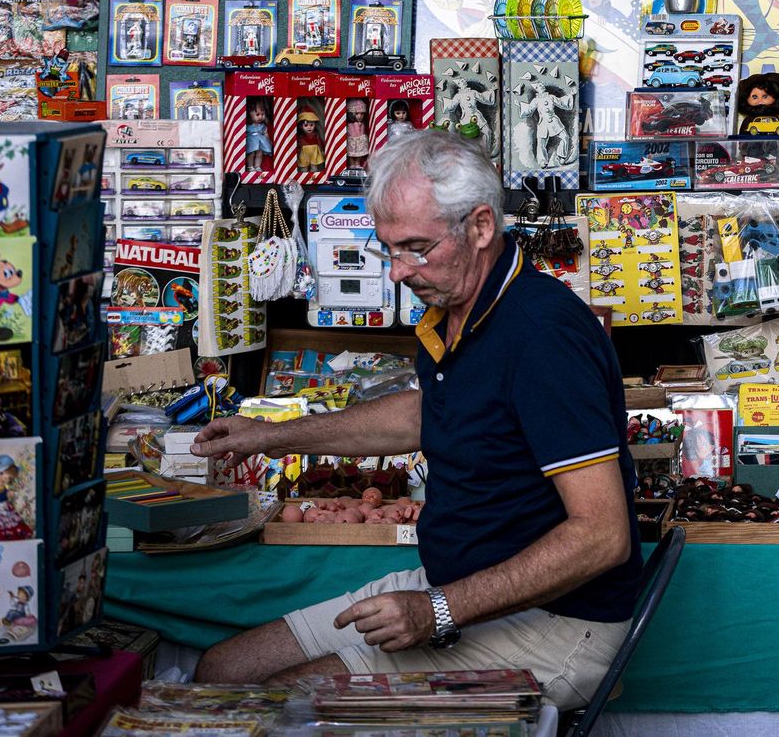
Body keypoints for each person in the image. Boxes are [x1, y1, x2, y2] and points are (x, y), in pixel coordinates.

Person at [191, 130, 641, 708]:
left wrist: (439, 611)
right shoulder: (456, 306)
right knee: (222, 669)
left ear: (481, 227)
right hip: (460, 589)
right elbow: (432, 414)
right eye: (389, 250)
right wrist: (275, 436)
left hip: (556, 621)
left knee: (285, 702)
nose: (400, 271)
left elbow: (602, 537)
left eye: (416, 248)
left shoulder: (542, 335)